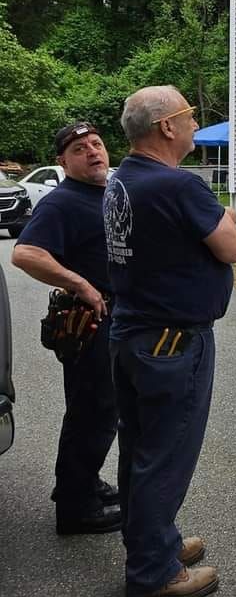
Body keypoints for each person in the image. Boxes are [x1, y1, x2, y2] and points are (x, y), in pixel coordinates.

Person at [104, 87, 236, 597]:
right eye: (188, 116)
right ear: (166, 127)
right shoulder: (178, 185)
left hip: (132, 331)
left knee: (140, 448)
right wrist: (227, 220)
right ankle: (152, 573)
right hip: (173, 340)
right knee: (166, 455)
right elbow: (231, 247)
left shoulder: (123, 179)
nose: (193, 124)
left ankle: (151, 542)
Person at [11, 122, 121, 534]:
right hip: (89, 322)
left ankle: (82, 483)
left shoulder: (107, 192)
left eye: (96, 144)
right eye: (79, 149)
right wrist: (80, 284)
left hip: (114, 319)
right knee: (92, 412)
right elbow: (25, 254)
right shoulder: (62, 202)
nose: (92, 152)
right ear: (63, 162)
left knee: (101, 410)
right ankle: (76, 510)